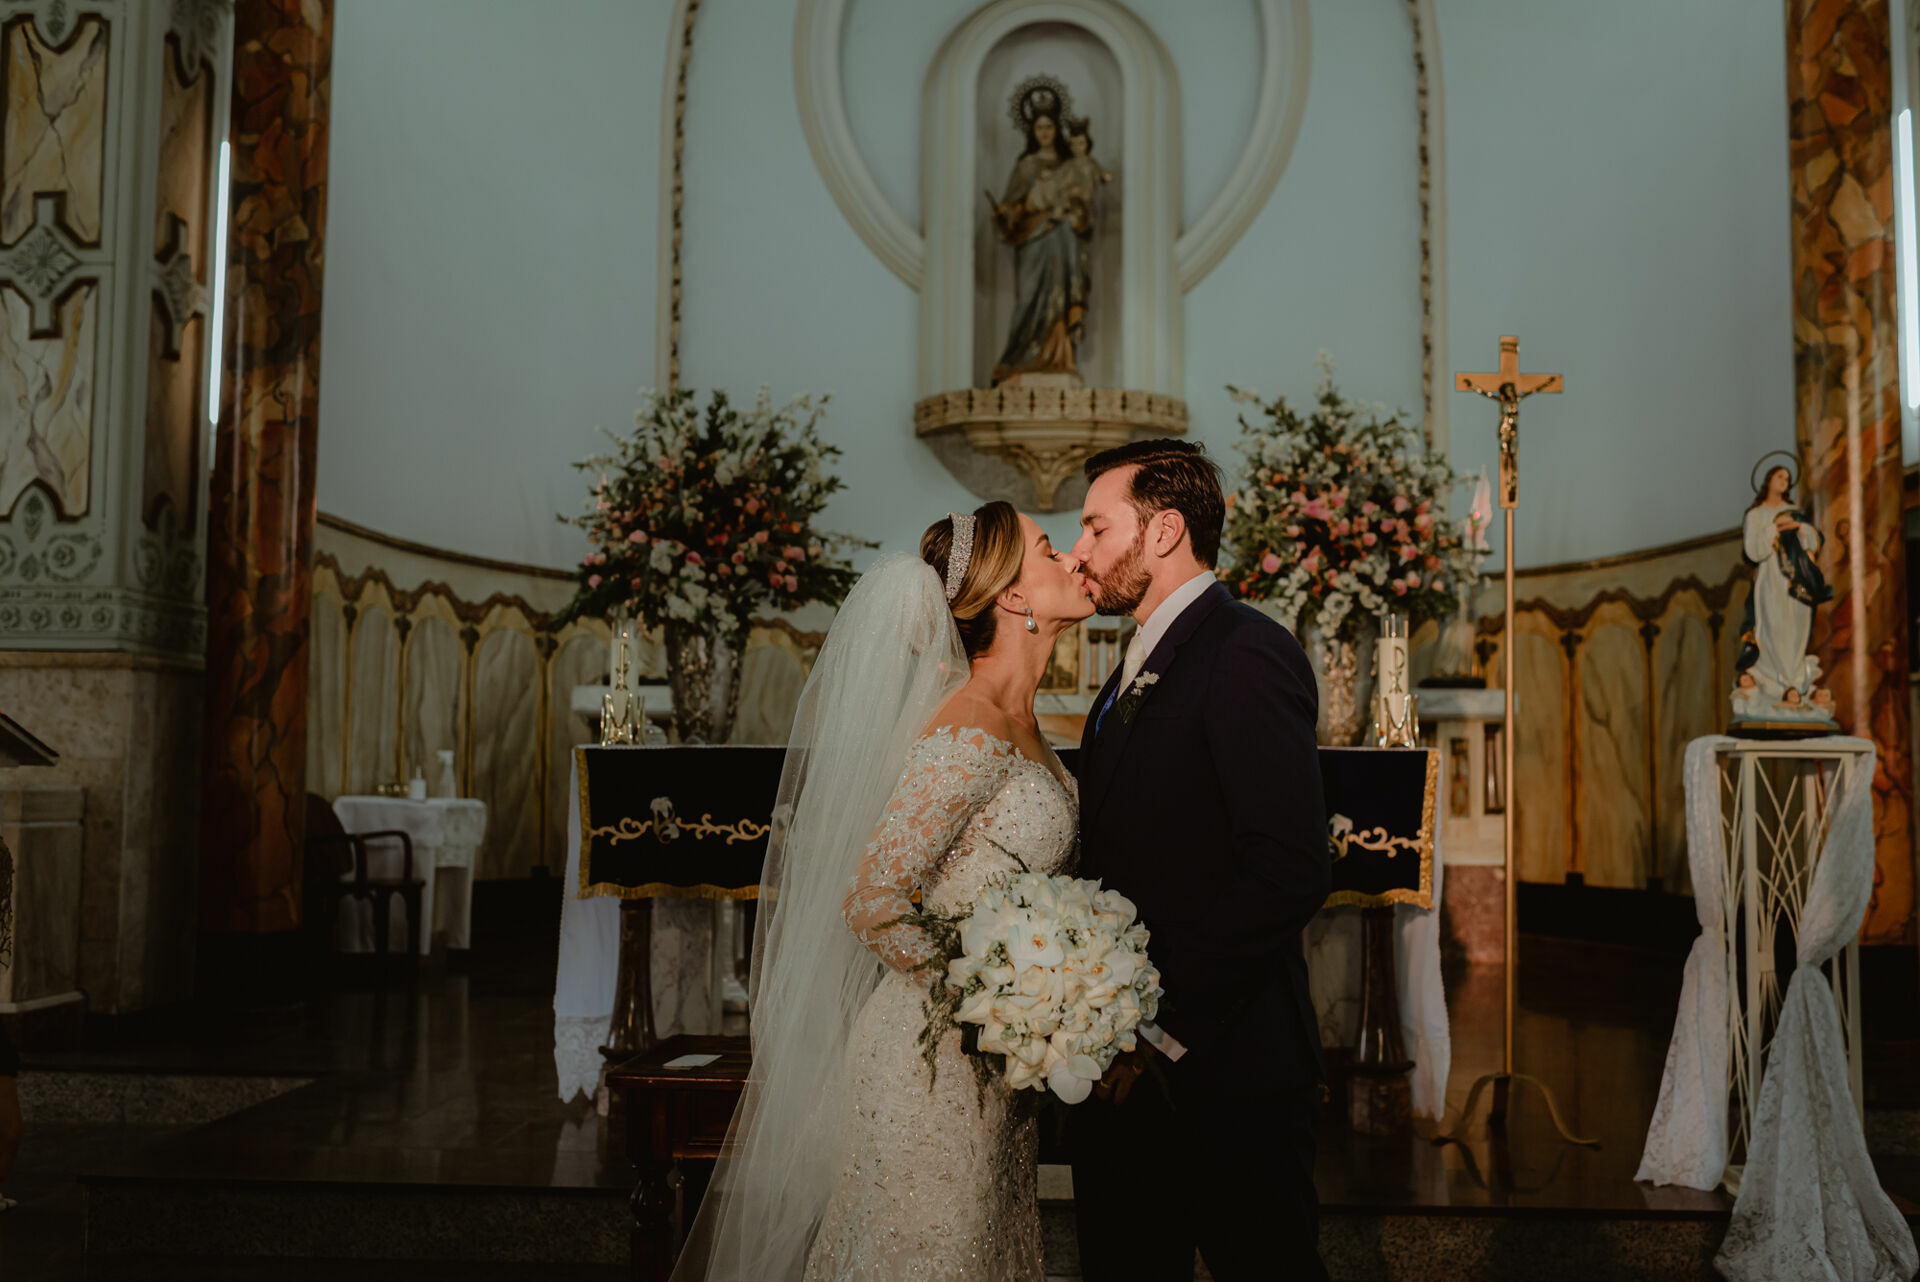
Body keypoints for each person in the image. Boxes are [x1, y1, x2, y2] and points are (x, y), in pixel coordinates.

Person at [669, 501, 1095, 1281]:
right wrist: (1004, 1003)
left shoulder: (1024, 725)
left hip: (989, 1064)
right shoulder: (970, 724)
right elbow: (873, 902)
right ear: (1011, 595)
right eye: (1048, 548)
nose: (1073, 557)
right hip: (930, 1064)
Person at [1066, 438, 1330, 1281]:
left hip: (1228, 1068)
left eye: (1096, 528)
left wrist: (1156, 1027)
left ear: (1164, 530)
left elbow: (1288, 866)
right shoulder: (1130, 666)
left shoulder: (1245, 650)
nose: (1080, 552)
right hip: (1124, 1076)